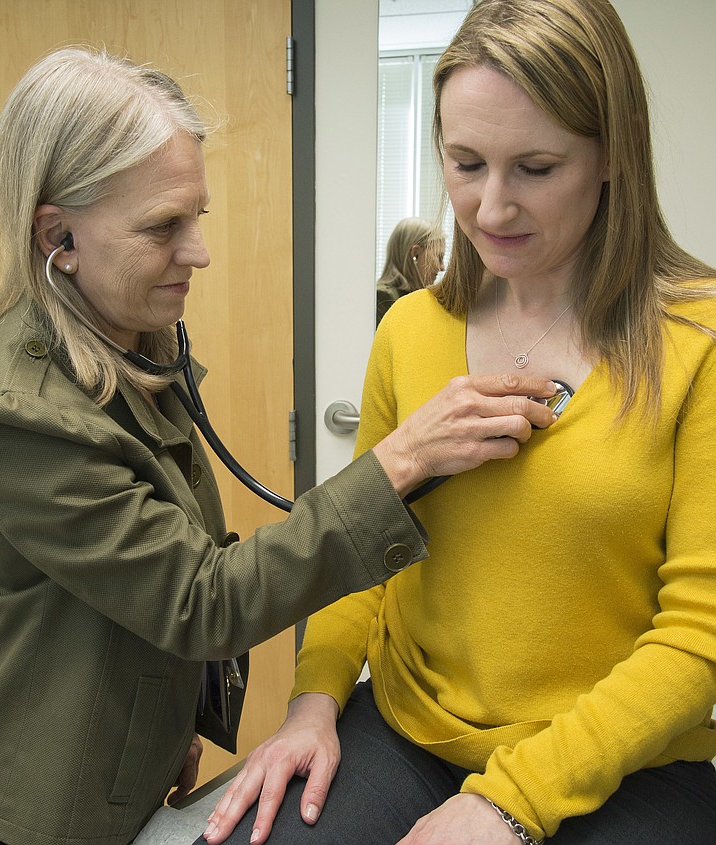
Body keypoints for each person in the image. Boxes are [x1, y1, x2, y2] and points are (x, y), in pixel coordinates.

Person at [0, 47, 559, 845]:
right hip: (21, 807)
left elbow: (142, 567)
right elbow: (200, 598)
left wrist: (166, 722)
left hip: (118, 763)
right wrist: (402, 458)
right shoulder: (14, 418)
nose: (199, 251)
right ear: (59, 235)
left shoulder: (127, 337)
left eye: (197, 217)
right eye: (163, 227)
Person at [202, 1, 716, 843]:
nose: (491, 208)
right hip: (410, 730)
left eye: (536, 168)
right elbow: (360, 555)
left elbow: (700, 638)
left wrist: (508, 800)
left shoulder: (697, 339)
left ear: (615, 149)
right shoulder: (410, 328)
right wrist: (312, 701)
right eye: (465, 162)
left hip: (627, 760)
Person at [376, 217, 446, 325]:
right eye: (439, 257)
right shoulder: (383, 298)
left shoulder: (422, 299)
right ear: (415, 254)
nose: (442, 267)